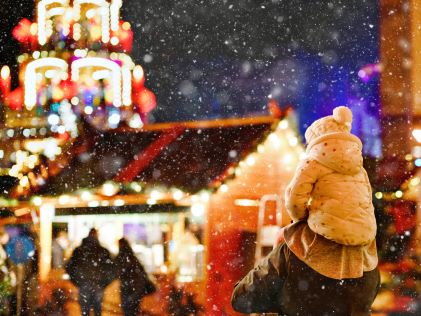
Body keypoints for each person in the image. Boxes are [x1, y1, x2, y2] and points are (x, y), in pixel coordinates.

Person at [232, 106, 380, 315]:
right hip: (360, 237)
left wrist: (299, 220)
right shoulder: (368, 264)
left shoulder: (296, 250)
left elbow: (242, 299)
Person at [66, 228, 114, 316]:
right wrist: (104, 283)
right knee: (97, 310)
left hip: (83, 284)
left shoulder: (78, 250)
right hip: (98, 285)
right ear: (97, 236)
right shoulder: (103, 251)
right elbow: (112, 270)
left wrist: (76, 282)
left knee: (85, 311)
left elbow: (69, 267)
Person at [114, 238, 156, 316]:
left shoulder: (120, 258)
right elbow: (142, 271)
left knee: (127, 310)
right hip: (137, 287)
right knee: (135, 310)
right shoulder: (133, 257)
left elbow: (116, 272)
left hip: (127, 288)